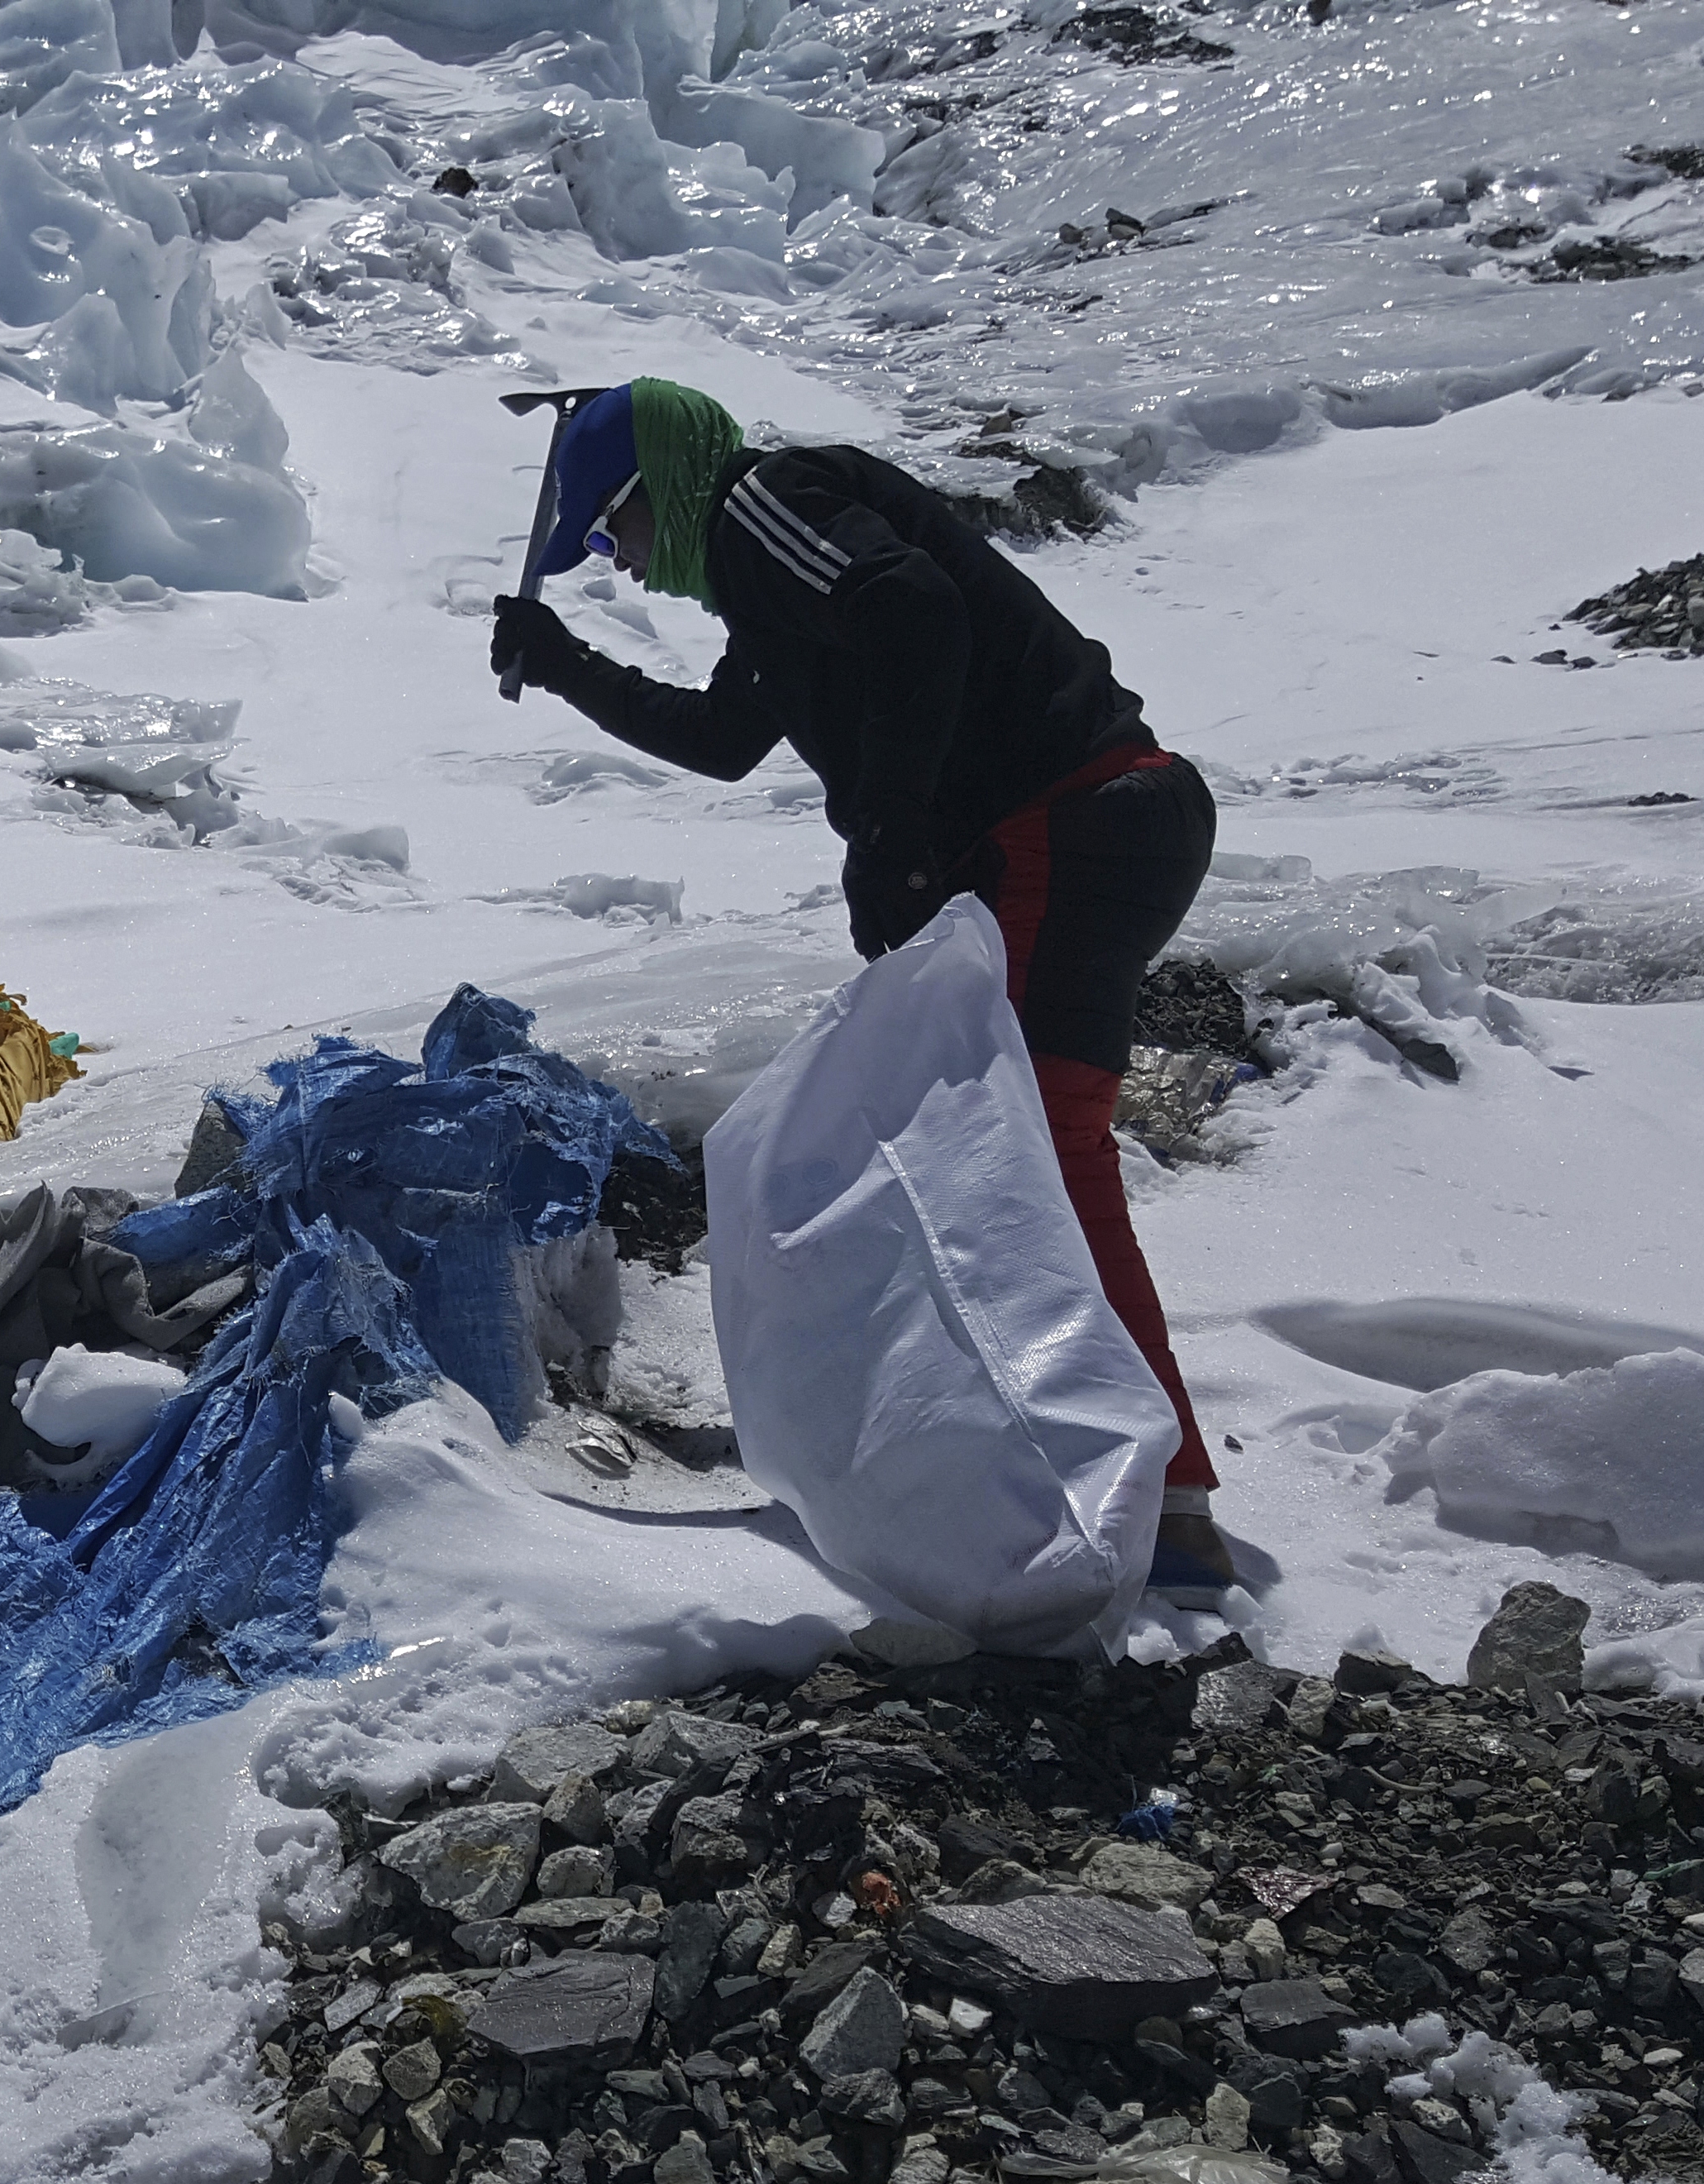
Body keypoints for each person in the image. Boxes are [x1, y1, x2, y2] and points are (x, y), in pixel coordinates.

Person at [488, 376, 1238, 1602]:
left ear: (655, 490)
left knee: (1045, 1151)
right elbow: (728, 740)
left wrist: (887, 830)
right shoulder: (767, 581)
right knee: (1003, 1152)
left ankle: (1166, 1500)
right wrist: (566, 664)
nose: (614, 561)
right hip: (1087, 824)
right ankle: (1090, 1471)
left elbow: (913, 608)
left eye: (610, 530)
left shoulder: (761, 502)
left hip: (1072, 819)